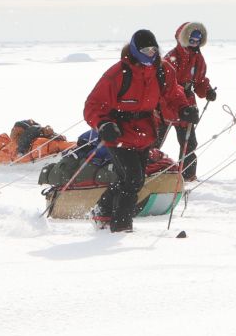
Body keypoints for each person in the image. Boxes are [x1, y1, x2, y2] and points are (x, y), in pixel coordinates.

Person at [82, 29, 195, 233]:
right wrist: (103, 124)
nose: (150, 53)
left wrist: (184, 108)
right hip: (119, 134)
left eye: (153, 49)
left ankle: (102, 210)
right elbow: (93, 105)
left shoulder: (162, 70)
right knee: (133, 179)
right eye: (145, 49)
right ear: (135, 49)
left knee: (132, 179)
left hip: (145, 133)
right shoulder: (118, 73)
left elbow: (173, 94)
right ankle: (121, 225)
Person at [162, 21, 217, 181]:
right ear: (184, 39)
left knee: (189, 143)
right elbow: (166, 85)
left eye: (198, 41)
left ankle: (187, 176)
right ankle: (146, 171)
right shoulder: (171, 58)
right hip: (167, 104)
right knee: (155, 142)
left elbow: (199, 81)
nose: (195, 44)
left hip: (188, 104)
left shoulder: (198, 58)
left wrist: (207, 91)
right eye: (191, 40)